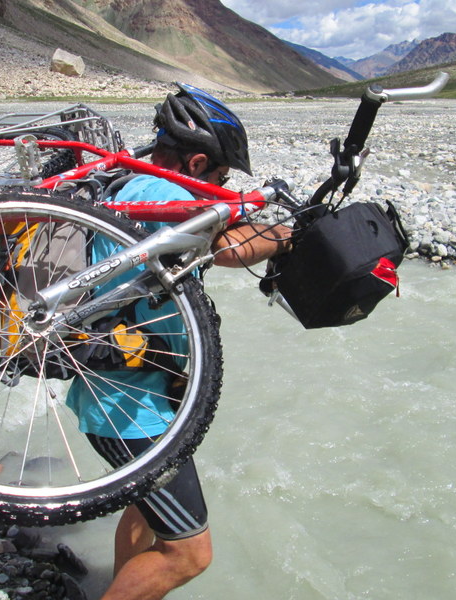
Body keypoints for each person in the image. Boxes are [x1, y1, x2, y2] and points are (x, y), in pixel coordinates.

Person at [66, 83, 291, 600]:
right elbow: (230, 249)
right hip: (131, 409)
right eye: (219, 177)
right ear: (194, 162)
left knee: (144, 513)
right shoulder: (164, 196)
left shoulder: (131, 187)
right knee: (188, 553)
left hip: (119, 391)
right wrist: (289, 235)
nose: (219, 186)